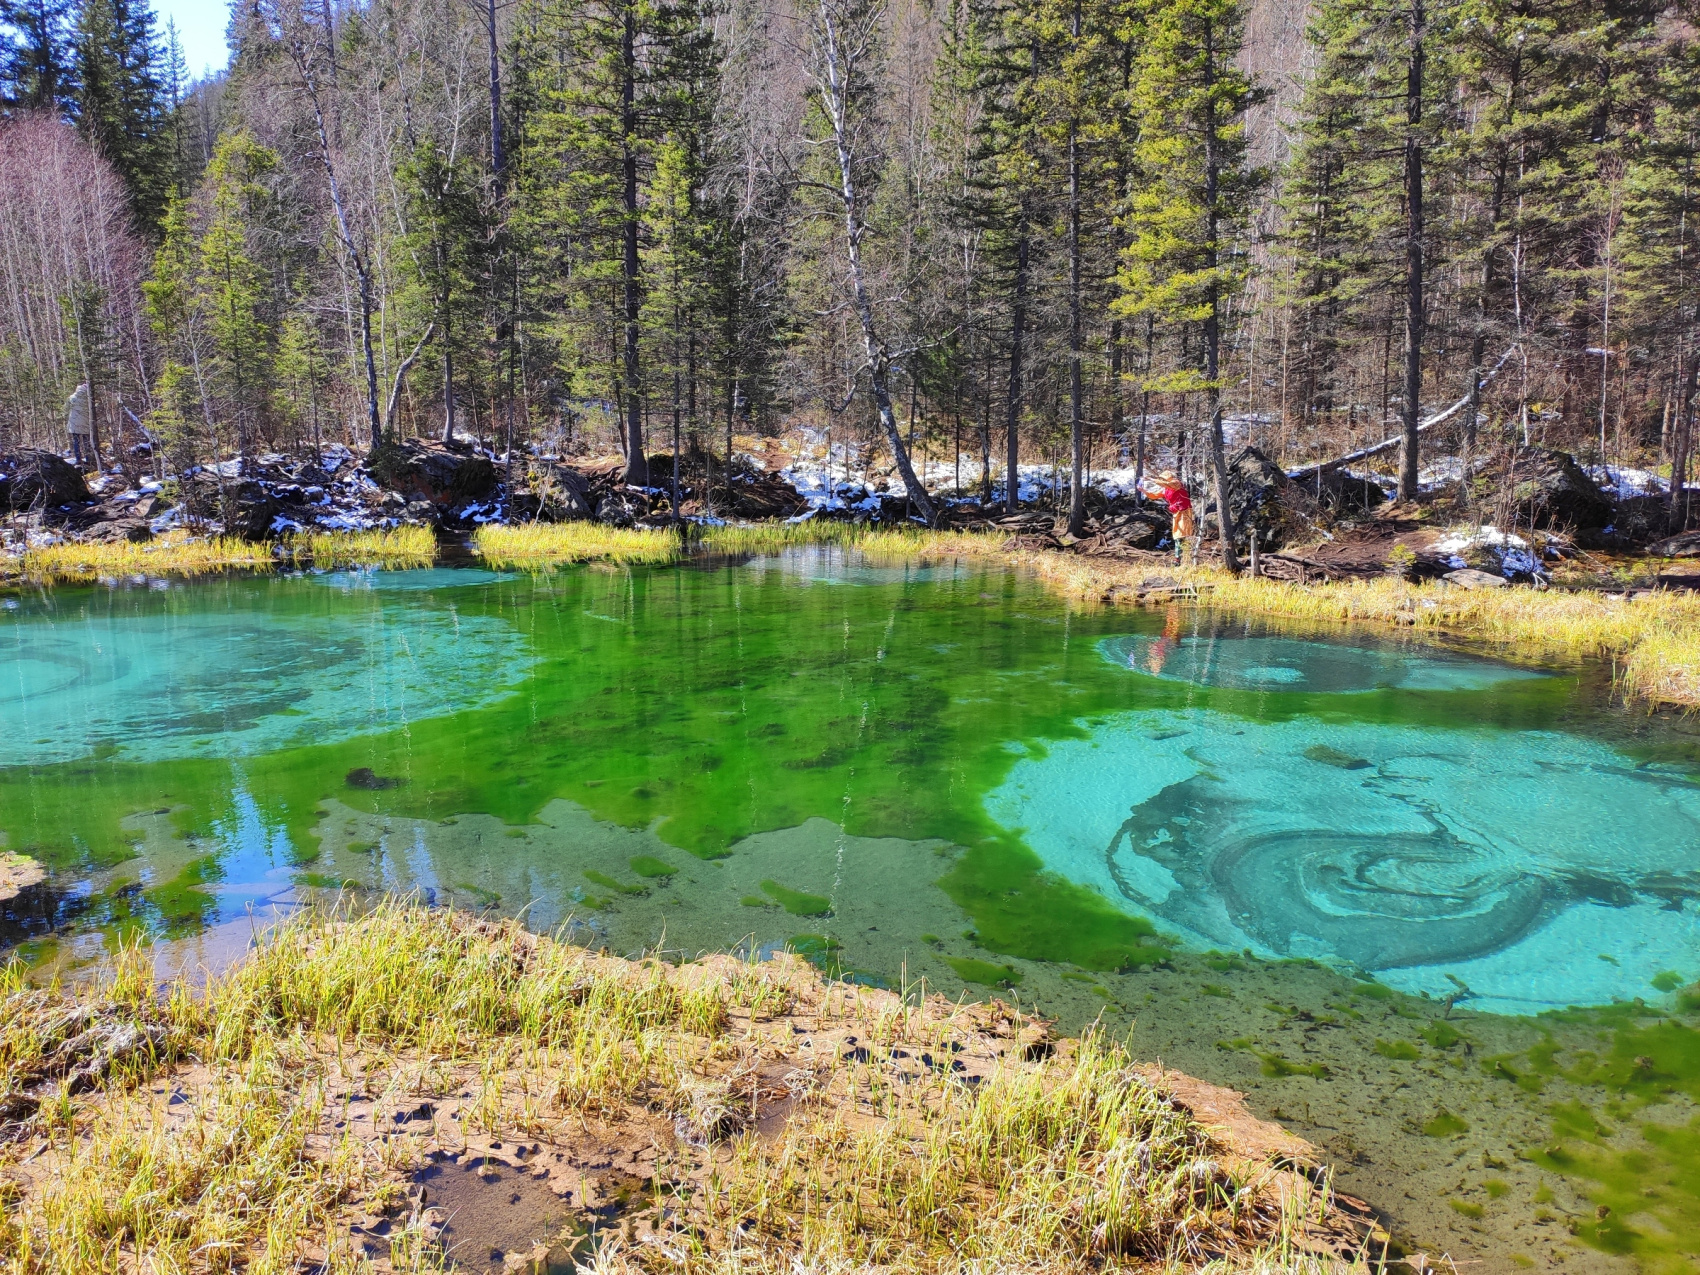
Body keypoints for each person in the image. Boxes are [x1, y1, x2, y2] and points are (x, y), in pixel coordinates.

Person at [1143, 469, 1194, 564]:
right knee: (1177, 535)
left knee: (1182, 534)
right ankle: (1179, 558)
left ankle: (1183, 557)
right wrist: (1143, 491)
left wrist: (1151, 479)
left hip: (1184, 511)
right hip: (1176, 512)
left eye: (1163, 479)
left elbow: (1168, 484)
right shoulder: (1166, 489)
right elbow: (1154, 495)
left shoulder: (1176, 483)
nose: (1162, 481)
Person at [66, 382, 93, 467]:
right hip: (86, 423)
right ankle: (88, 459)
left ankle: (78, 459)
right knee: (86, 442)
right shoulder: (89, 398)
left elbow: (66, 408)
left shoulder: (72, 397)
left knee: (76, 442)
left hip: (74, 423)